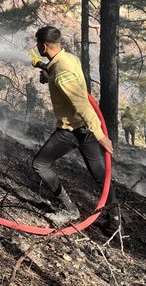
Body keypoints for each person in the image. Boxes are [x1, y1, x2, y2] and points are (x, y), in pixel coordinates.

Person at [31, 25, 119, 231]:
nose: (37, 48)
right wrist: (47, 75)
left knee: (40, 164)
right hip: (85, 128)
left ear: (44, 46)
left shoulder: (61, 73)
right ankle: (115, 220)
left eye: (38, 45)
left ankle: (70, 209)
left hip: (72, 130)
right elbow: (66, 81)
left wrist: (100, 135)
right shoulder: (68, 59)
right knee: (99, 174)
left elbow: (80, 103)